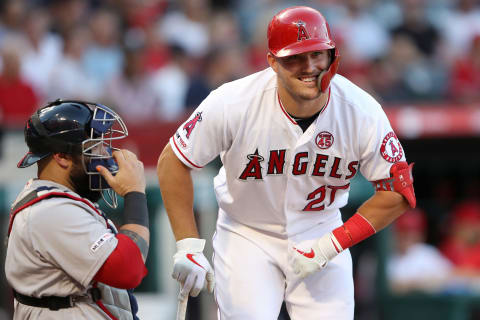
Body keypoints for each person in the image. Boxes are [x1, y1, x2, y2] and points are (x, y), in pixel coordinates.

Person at [157, 6, 415, 320]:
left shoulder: (360, 110)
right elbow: (173, 160)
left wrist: (331, 244)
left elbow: (399, 191)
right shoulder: (233, 102)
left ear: (332, 55)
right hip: (247, 233)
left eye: (317, 55)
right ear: (273, 62)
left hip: (322, 228)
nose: (309, 67)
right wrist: (188, 245)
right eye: (295, 57)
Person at [5, 100, 149, 319]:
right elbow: (128, 269)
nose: (105, 154)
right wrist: (135, 192)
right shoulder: (50, 211)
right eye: (93, 147)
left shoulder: (61, 203)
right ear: (61, 156)